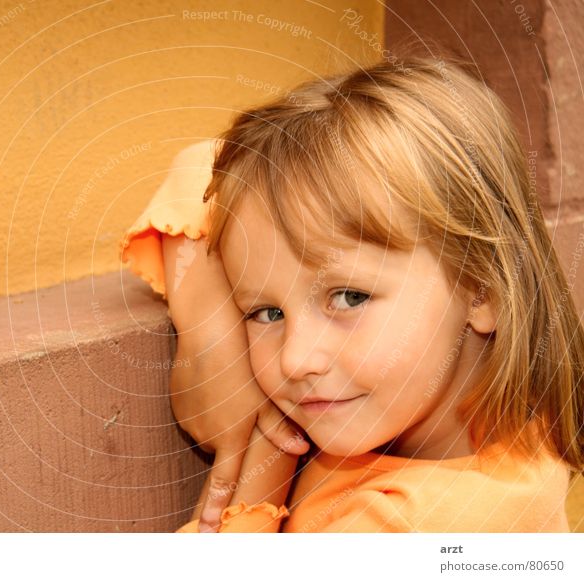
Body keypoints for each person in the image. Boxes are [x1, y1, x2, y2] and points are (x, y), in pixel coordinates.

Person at [120, 57, 584, 532]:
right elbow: (202, 165)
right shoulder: (506, 423)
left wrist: (265, 455)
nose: (295, 361)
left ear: (483, 290)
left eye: (350, 298)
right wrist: (213, 339)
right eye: (266, 312)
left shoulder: (408, 529)